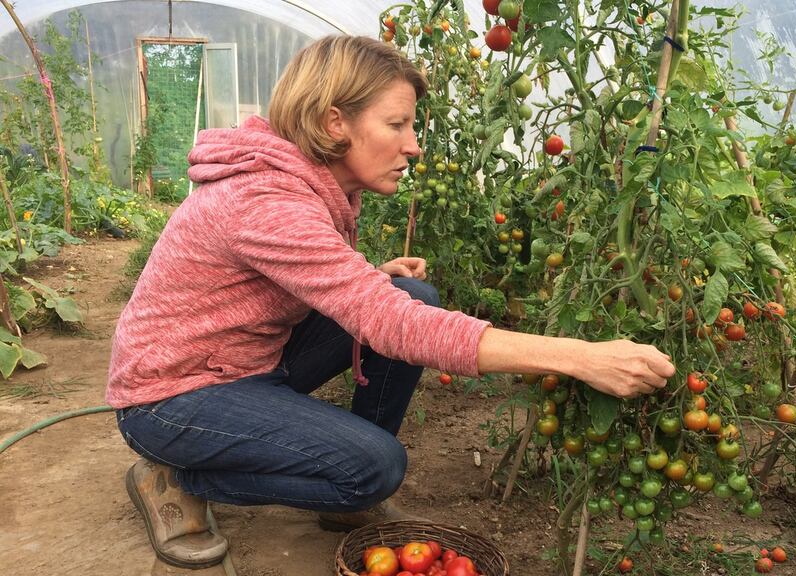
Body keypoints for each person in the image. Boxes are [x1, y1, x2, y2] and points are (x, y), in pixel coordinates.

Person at [107, 35, 675, 569]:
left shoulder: (303, 180)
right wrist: (580, 356)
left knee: (408, 293)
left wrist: (370, 280)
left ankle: (341, 492)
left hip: (241, 361)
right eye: (397, 124)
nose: (414, 144)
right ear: (335, 122)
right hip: (173, 396)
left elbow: (345, 295)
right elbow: (391, 324)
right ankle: (179, 477)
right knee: (375, 467)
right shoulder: (264, 198)